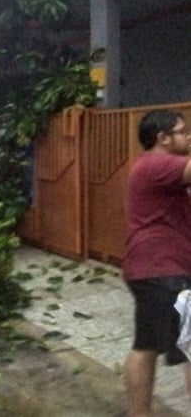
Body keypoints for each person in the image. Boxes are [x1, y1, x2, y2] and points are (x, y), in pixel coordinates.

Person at [123, 109, 191, 416]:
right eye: (183, 131)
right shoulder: (158, 164)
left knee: (146, 345)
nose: (188, 136)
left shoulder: (153, 169)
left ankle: (140, 414)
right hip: (165, 268)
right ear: (162, 138)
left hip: (150, 268)